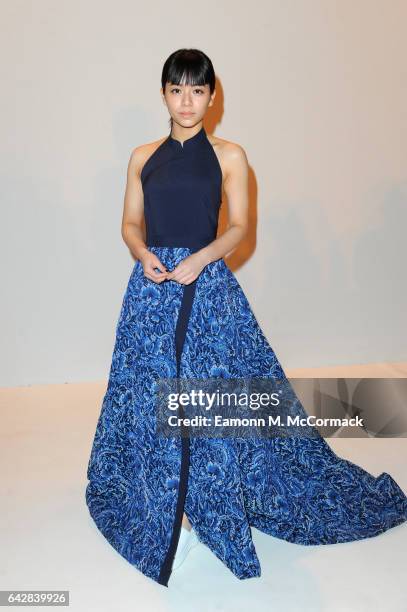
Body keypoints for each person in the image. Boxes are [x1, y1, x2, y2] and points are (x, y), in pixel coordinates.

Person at [85, 48, 407, 588]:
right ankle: (165, 502)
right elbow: (129, 223)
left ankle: (206, 502)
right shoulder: (142, 156)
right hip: (150, 292)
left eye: (198, 90)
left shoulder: (231, 155)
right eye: (176, 89)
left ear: (213, 96)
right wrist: (143, 254)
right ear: (163, 94)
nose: (187, 101)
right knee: (148, 398)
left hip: (207, 291)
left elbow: (238, 228)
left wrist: (200, 259)